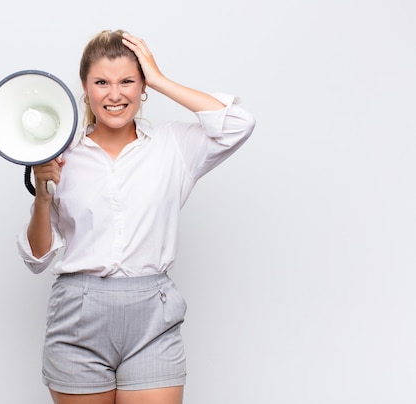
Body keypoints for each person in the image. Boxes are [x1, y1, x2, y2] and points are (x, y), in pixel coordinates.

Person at [16, 29, 256, 404]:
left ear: (142, 86)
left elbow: (238, 124)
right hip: (77, 316)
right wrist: (43, 194)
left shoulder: (173, 145)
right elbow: (37, 258)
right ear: (85, 86)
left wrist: (159, 78)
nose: (115, 95)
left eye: (128, 81)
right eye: (102, 82)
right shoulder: (61, 155)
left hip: (152, 318)